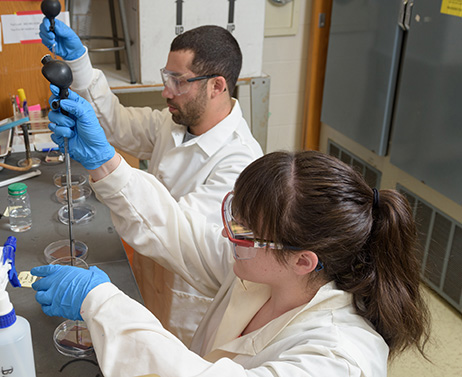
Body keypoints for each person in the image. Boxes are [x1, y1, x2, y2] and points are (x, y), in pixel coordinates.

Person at [31, 96, 430, 376]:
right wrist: (105, 163)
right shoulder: (266, 274)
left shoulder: (339, 357)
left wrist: (104, 306)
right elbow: (178, 233)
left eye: (241, 230)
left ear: (303, 259)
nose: (225, 231)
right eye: (232, 213)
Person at [39, 19, 263, 344]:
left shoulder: (240, 164)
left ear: (217, 86)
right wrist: (79, 63)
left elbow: (173, 232)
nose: (166, 91)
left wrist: (105, 163)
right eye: (166, 76)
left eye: (178, 81)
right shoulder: (172, 124)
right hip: (148, 282)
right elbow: (115, 123)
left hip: (187, 312)